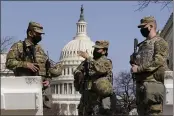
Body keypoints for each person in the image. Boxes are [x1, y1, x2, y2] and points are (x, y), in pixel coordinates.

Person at [6, 21, 63, 113]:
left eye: (41, 34)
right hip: (24, 90)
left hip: (39, 92)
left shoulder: (40, 49)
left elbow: (47, 68)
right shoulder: (19, 46)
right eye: (38, 34)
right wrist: (26, 64)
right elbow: (9, 62)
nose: (40, 36)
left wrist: (48, 80)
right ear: (30, 33)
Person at [130, 16, 169, 115]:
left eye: (143, 27)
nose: (141, 30)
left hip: (154, 87)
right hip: (142, 87)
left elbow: (158, 61)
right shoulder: (142, 45)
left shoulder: (159, 42)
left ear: (151, 26)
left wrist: (138, 69)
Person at [73, 40, 116, 116]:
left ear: (104, 51)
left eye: (98, 49)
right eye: (95, 48)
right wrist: (78, 73)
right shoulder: (87, 62)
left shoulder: (106, 62)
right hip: (88, 93)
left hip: (100, 95)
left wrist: (89, 58)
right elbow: (77, 70)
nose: (95, 50)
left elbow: (101, 69)